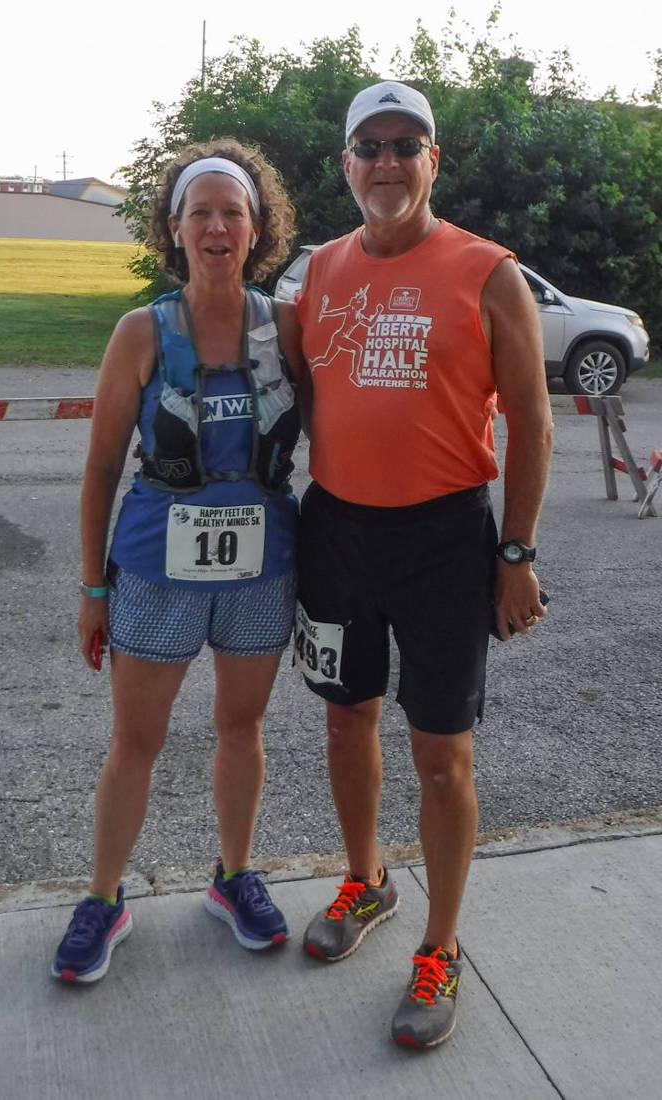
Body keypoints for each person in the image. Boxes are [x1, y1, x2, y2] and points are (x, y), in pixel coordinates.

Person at [294, 82, 553, 1048]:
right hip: (337, 530)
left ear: (433, 161)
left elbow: (533, 423)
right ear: (346, 164)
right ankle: (367, 880)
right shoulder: (319, 270)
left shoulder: (489, 273)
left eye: (408, 145)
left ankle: (441, 946)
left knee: (442, 754)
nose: (388, 162)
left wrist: (516, 552)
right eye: (371, 145)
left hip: (445, 539)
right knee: (345, 717)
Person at [52, 139, 304, 983]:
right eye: (201, 212)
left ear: (258, 227)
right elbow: (99, 468)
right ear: (175, 227)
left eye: (233, 212)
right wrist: (93, 588)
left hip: (261, 569)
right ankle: (103, 898)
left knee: (242, 727)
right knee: (137, 738)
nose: (217, 227)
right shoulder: (141, 332)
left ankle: (234, 878)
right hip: (157, 569)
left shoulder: (287, 326)